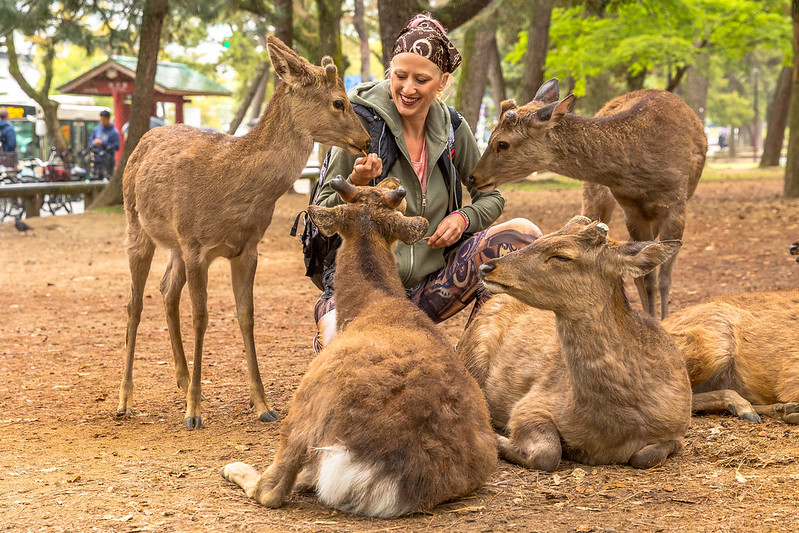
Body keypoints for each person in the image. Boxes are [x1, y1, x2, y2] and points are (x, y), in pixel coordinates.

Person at [311, 13, 542, 353]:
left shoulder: (453, 128)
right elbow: (321, 220)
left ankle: (475, 359)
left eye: (421, 79)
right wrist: (356, 183)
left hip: (431, 288)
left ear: (443, 81)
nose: (408, 88)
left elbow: (491, 197)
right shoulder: (359, 124)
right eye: (400, 76)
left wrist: (463, 218)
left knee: (522, 236)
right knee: (344, 350)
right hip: (363, 290)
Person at [90, 109, 120, 176]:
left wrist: (102, 143)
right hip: (97, 159)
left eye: (103, 120)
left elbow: (116, 146)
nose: (102, 122)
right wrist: (94, 143)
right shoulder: (96, 130)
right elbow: (91, 141)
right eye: (101, 120)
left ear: (108, 119)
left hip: (108, 161)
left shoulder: (114, 133)